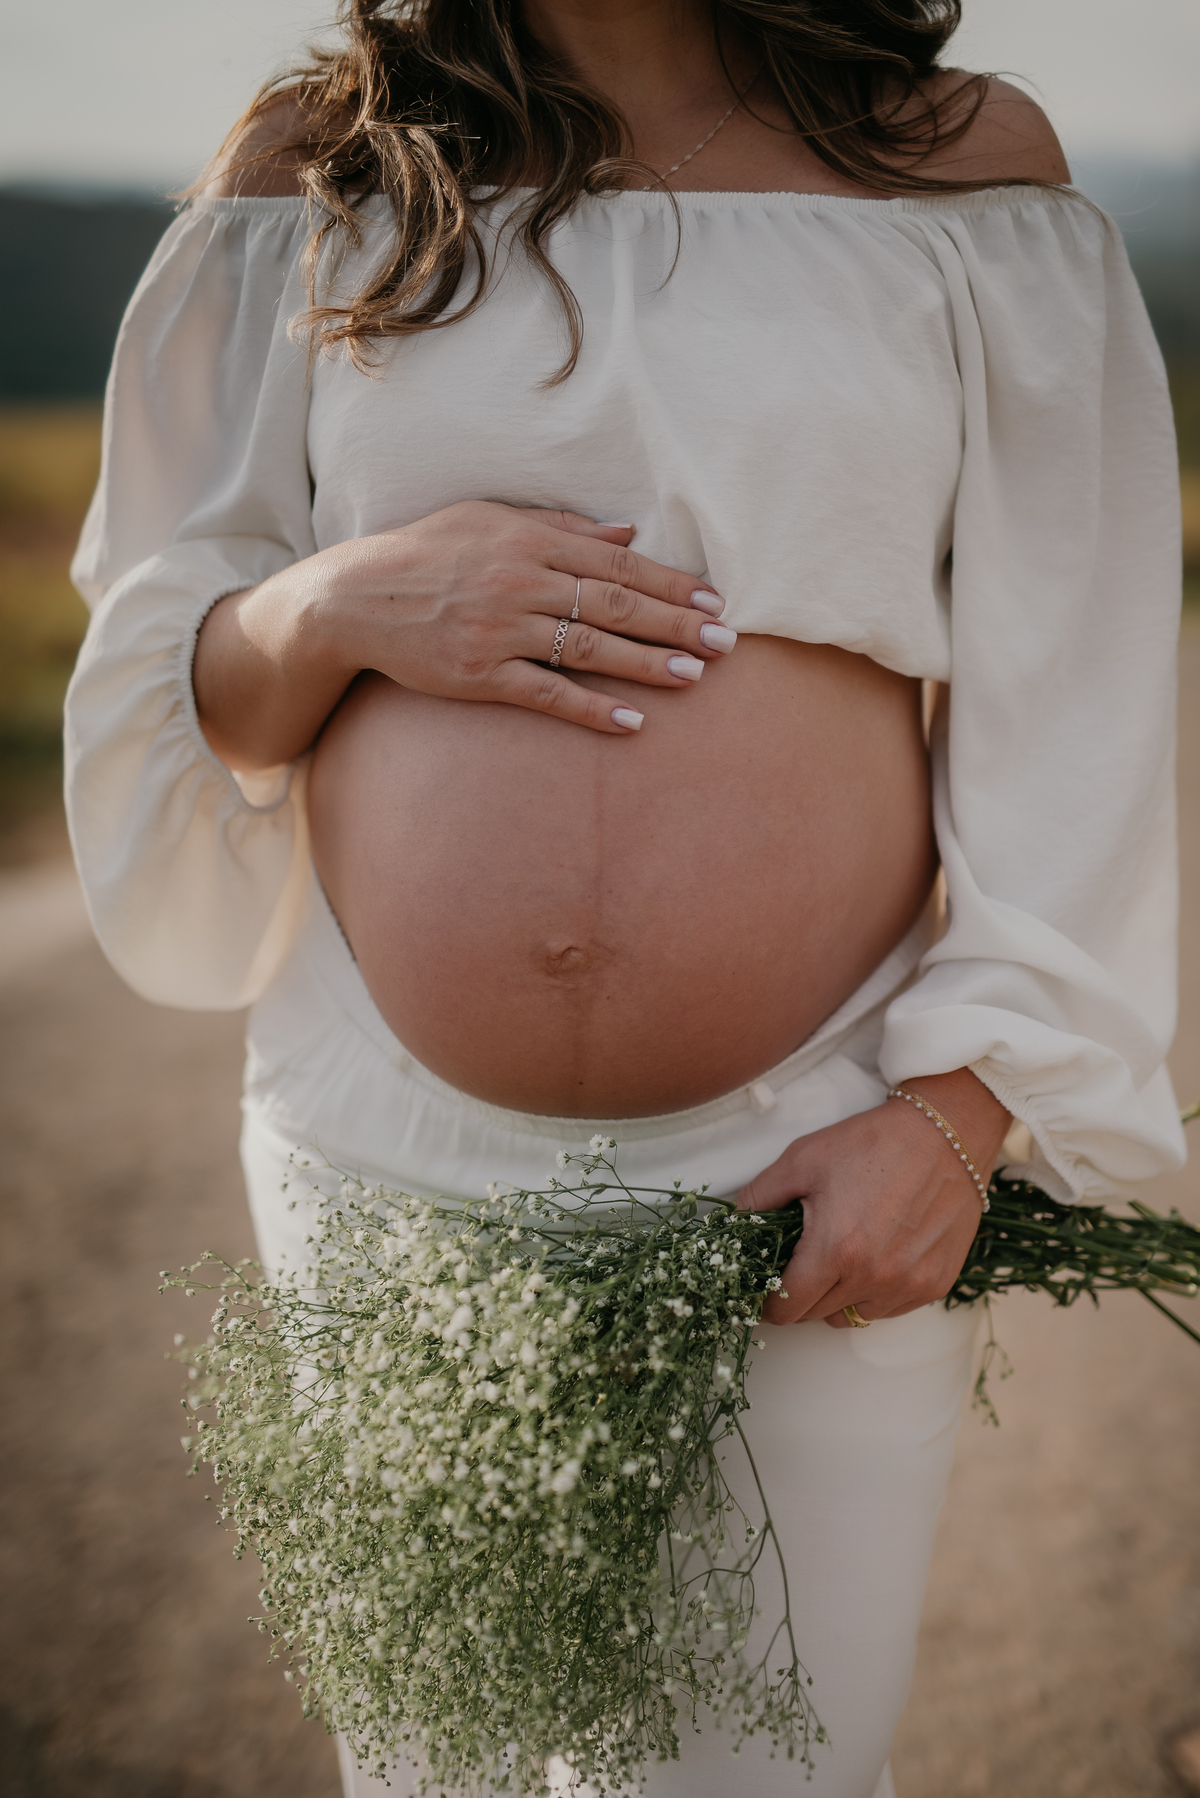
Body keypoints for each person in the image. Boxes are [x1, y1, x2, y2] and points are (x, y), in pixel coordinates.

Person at [65, 1, 1185, 1793]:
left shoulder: (965, 169)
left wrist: (961, 1119)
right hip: (387, 1153)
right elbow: (167, 662)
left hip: (820, 1139)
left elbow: (1085, 695)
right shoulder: (320, 171)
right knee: (440, 1764)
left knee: (781, 1767)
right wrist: (345, 604)